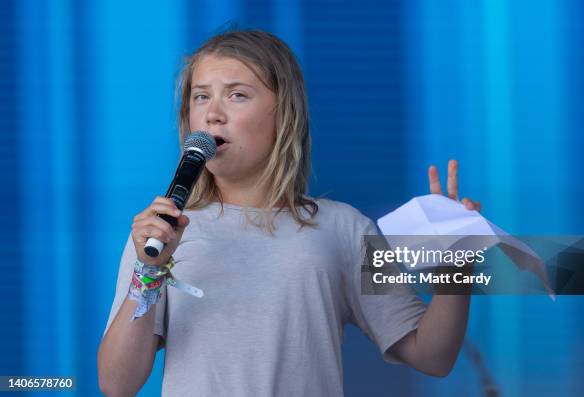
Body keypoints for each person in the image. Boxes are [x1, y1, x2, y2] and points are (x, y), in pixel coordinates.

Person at [97, 29, 481, 396]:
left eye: (237, 95)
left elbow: (432, 356)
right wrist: (149, 272)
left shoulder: (345, 229)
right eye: (200, 97)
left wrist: (454, 269)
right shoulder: (160, 233)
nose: (212, 114)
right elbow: (117, 385)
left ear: (285, 113)